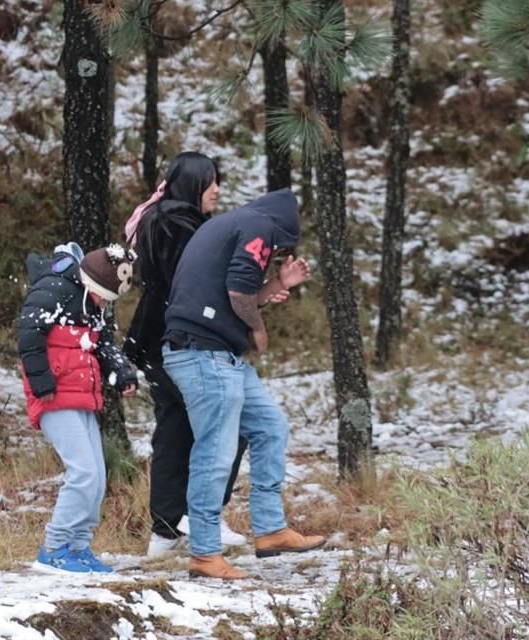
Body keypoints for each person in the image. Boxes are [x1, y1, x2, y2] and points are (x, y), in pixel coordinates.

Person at [161, 188, 326, 580]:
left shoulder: (235, 222)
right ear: (282, 228)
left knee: (270, 427)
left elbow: (234, 292)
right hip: (202, 355)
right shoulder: (258, 226)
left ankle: (270, 530)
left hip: (221, 355)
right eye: (280, 248)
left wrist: (276, 284)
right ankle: (204, 554)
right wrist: (259, 327)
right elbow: (238, 293)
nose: (275, 252)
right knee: (215, 452)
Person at [124, 152, 266, 558]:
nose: (217, 189)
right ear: (190, 184)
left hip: (156, 338)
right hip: (178, 340)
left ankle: (166, 530)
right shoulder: (177, 225)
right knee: (225, 422)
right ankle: (200, 518)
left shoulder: (164, 218)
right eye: (209, 181)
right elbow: (196, 287)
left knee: (177, 429)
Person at [18, 243, 138, 574]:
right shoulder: (53, 290)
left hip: (83, 394)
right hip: (54, 395)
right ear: (91, 283)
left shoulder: (91, 303)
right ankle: (54, 548)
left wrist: (122, 375)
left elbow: (103, 345)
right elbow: (29, 335)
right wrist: (42, 384)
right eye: (102, 296)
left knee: (97, 476)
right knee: (83, 473)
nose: (103, 304)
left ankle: (79, 545)